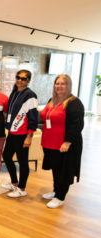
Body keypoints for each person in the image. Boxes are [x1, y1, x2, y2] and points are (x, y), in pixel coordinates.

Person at [40, 74, 84, 208]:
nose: (59, 86)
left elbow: (77, 125)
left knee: (63, 171)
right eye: (57, 83)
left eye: (63, 84)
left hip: (63, 143)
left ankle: (60, 197)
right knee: (56, 169)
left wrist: (67, 142)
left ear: (68, 85)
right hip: (49, 142)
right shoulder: (52, 100)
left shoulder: (73, 102)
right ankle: (56, 191)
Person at [1, 70, 38, 197]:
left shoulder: (30, 95)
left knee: (23, 162)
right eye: (18, 77)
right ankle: (14, 183)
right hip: (12, 132)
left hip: (22, 134)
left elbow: (33, 117)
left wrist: (29, 136)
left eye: (23, 79)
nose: (20, 80)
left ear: (28, 81)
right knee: (6, 156)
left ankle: (22, 189)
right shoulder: (14, 93)